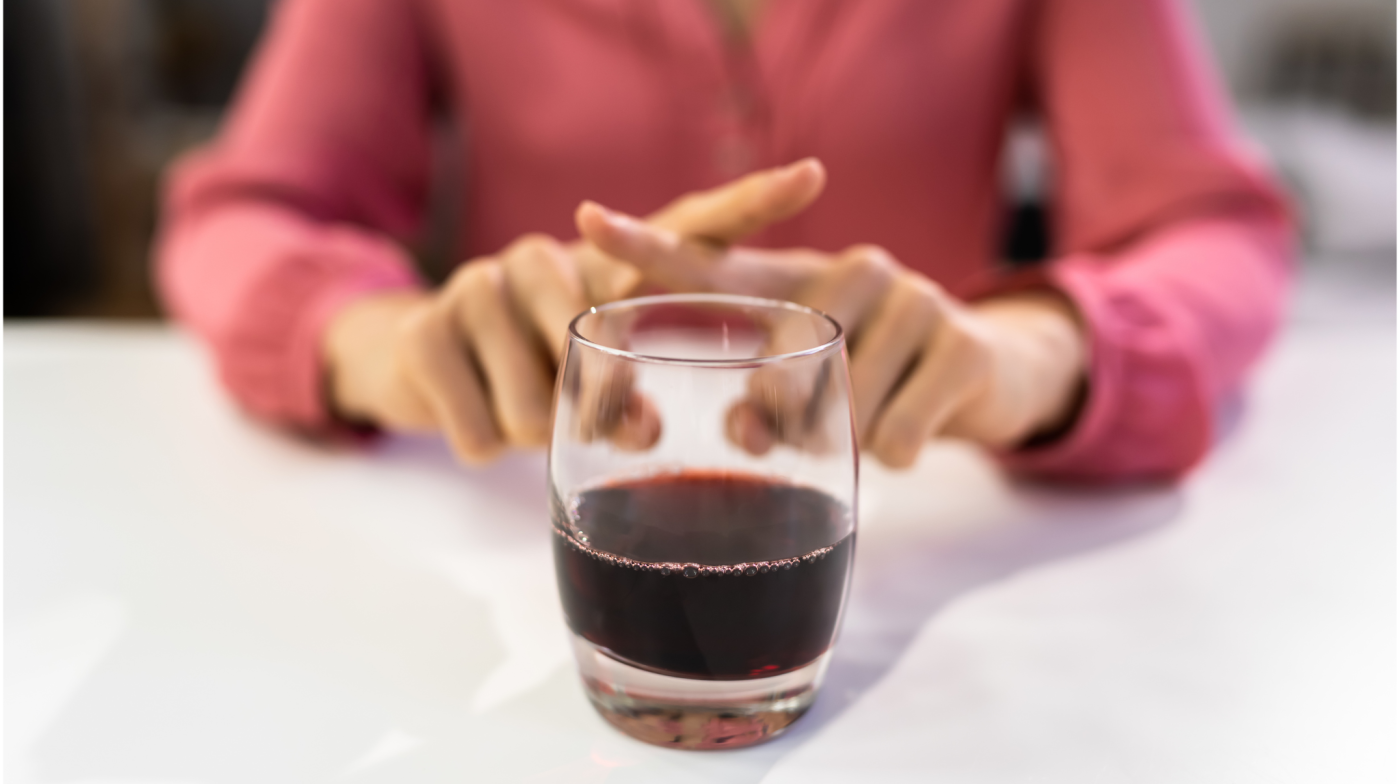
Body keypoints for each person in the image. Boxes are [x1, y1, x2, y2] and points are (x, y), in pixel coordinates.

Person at [155, 0, 1292, 481]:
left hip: (916, 534)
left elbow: (1209, 230)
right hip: (524, 530)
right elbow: (242, 215)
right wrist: (384, 343)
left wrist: (1024, 359)